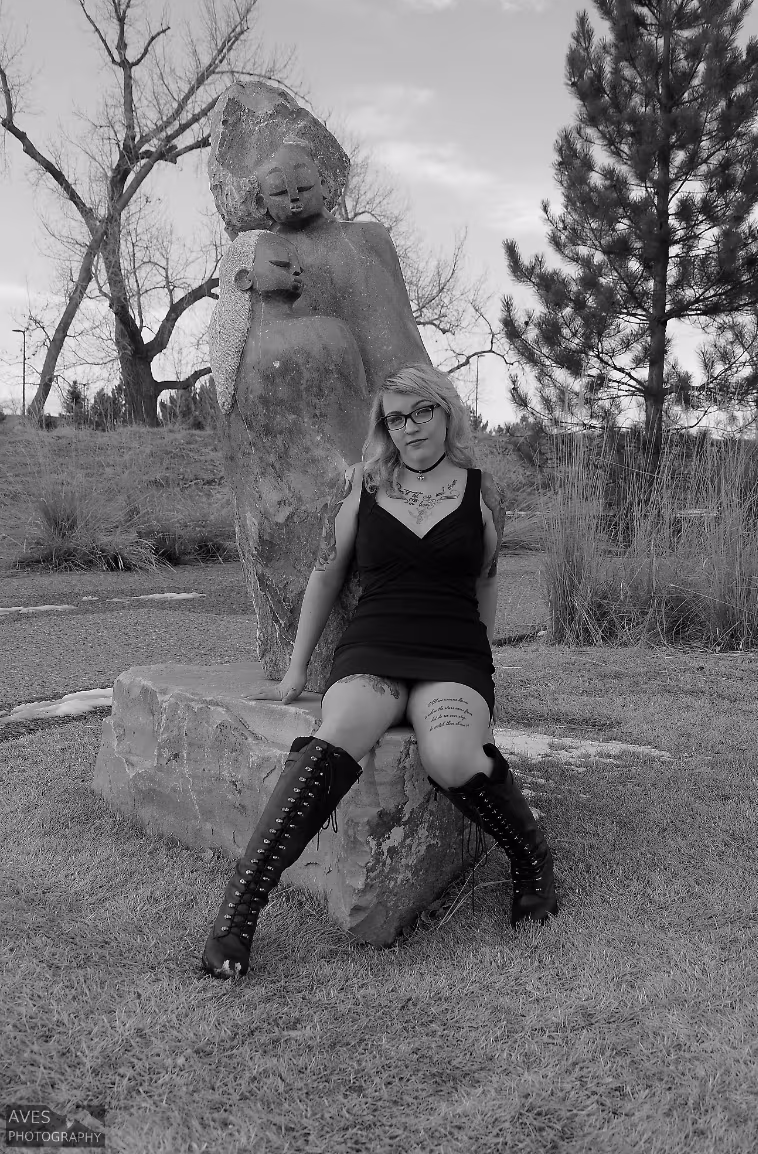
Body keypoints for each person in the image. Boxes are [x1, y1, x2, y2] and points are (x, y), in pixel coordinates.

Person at [201, 365, 558, 979]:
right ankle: (241, 908)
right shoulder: (362, 484)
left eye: (421, 412)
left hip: (453, 653)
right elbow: (325, 576)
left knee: (451, 757)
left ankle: (532, 861)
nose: (409, 427)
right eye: (395, 418)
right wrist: (296, 670)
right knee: (337, 735)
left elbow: (486, 581)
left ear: (446, 411)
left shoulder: (482, 491)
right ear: (383, 427)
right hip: (374, 648)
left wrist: (482, 668)